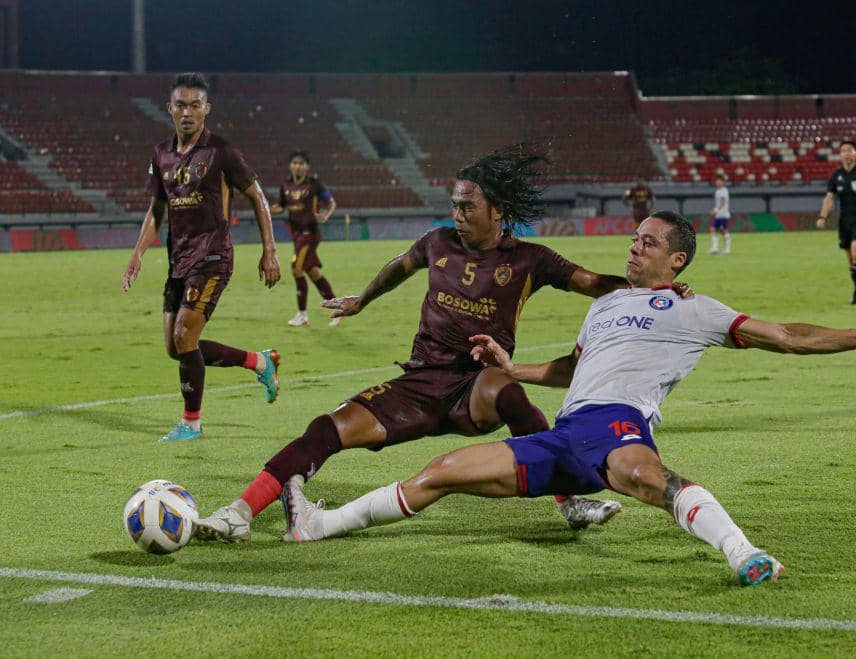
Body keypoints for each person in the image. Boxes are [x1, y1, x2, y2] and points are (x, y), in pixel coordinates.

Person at [276, 211, 856, 587]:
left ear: (676, 262)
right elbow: (572, 369)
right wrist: (513, 366)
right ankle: (316, 524)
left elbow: (787, 335)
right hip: (563, 436)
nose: (634, 244)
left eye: (649, 241)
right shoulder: (608, 303)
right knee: (442, 473)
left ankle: (745, 553)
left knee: (648, 476)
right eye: (635, 236)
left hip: (619, 426)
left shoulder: (694, 308)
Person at [194, 145, 690, 539]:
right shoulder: (437, 244)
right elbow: (397, 268)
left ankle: (570, 502)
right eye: (453, 204)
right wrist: (361, 300)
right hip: (419, 383)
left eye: (466, 205)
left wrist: (658, 290)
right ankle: (241, 511)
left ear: (497, 209)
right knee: (326, 428)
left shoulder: (531, 259)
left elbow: (590, 282)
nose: (455, 213)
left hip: (473, 386)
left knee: (503, 384)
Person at [122, 73, 282, 442]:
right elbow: (156, 211)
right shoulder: (160, 154)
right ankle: (259, 362)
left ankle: (190, 424)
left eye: (195, 105)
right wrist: (137, 254)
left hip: (212, 256)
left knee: (184, 335)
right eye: (180, 105)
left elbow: (256, 195)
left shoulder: (222, 151)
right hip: (178, 260)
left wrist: (269, 250)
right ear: (170, 109)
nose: (187, 112)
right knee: (175, 347)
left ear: (207, 109)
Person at [270, 151, 338, 327]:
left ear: (307, 166)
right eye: (294, 163)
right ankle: (338, 308)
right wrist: (267, 209)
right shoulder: (285, 185)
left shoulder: (315, 185)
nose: (298, 166)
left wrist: (325, 215)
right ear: (290, 166)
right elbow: (282, 206)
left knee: (296, 269)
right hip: (296, 234)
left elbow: (331, 202)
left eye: (301, 163)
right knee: (313, 271)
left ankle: (302, 314)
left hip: (310, 233)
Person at [816, 140, 856, 304]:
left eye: (850, 150)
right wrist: (822, 216)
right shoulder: (837, 176)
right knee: (851, 259)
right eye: (843, 150)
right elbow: (830, 197)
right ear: (840, 155)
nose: (847, 153)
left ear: (855, 153)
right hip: (844, 221)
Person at [708, 175, 732, 254]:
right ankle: (715, 248)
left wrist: (715, 210)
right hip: (718, 215)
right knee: (713, 229)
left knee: (723, 231)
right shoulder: (718, 191)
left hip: (724, 214)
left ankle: (727, 249)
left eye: (719, 181)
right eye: (716, 181)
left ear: (723, 182)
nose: (717, 183)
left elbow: (722, 202)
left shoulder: (724, 191)